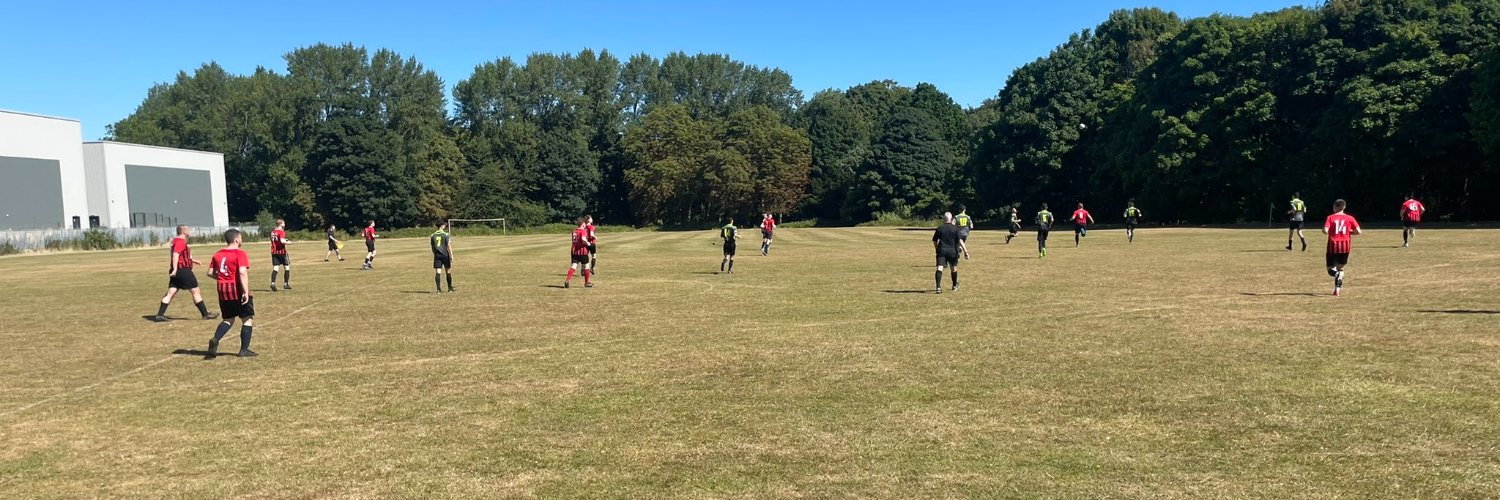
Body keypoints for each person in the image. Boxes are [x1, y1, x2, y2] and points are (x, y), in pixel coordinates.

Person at [205, 228, 255, 359]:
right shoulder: (240, 253)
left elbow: (210, 273)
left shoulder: (217, 254)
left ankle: (216, 339)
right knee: (247, 318)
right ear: (236, 239)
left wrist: (223, 279)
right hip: (236, 289)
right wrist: (245, 292)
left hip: (223, 290)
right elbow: (242, 272)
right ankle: (244, 350)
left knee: (228, 319)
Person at [152, 225, 218, 322]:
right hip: (183, 271)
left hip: (177, 271)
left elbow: (181, 256)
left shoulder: (175, 241)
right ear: (183, 232)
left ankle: (160, 315)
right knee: (195, 291)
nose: (189, 231)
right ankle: (205, 314)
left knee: (170, 293)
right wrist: (175, 269)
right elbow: (176, 255)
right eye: (188, 230)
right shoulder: (180, 241)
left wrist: (194, 261)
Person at [1323, 199, 1362, 297]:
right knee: (1340, 269)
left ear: (1335, 207)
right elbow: (1358, 231)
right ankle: (1337, 290)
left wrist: (1330, 232)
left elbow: (1325, 230)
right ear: (1344, 207)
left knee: (1331, 270)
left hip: (1333, 246)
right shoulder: (1350, 218)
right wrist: (1349, 232)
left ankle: (1337, 275)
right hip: (1345, 246)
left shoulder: (1330, 218)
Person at [932, 212, 966, 293]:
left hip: (942, 250)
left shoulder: (940, 228)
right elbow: (960, 240)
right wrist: (966, 251)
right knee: (953, 268)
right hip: (952, 251)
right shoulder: (955, 228)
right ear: (951, 219)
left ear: (944, 219)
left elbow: (934, 241)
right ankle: (954, 285)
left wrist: (937, 249)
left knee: (939, 268)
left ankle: (938, 287)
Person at [565, 217, 593, 288]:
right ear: (583, 224)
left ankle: (567, 280)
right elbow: (583, 239)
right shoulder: (583, 231)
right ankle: (586, 283)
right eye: (585, 223)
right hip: (582, 251)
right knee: (586, 266)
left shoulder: (574, 231)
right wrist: (588, 243)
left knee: (573, 266)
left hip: (575, 251)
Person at [431, 222, 455, 293]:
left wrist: (434, 253)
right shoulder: (446, 234)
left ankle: (438, 289)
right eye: (444, 225)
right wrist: (451, 255)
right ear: (442, 226)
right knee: (448, 271)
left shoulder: (433, 235)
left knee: (438, 272)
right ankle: (450, 288)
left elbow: (433, 246)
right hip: (445, 255)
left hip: (437, 255)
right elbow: (448, 245)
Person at [269, 219, 291, 291]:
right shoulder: (281, 232)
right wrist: (288, 242)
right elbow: (281, 241)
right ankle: (286, 284)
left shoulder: (272, 232)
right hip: (282, 252)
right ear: (281, 224)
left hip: (274, 252)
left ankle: (272, 283)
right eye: (283, 223)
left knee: (275, 268)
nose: (284, 224)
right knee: (287, 267)